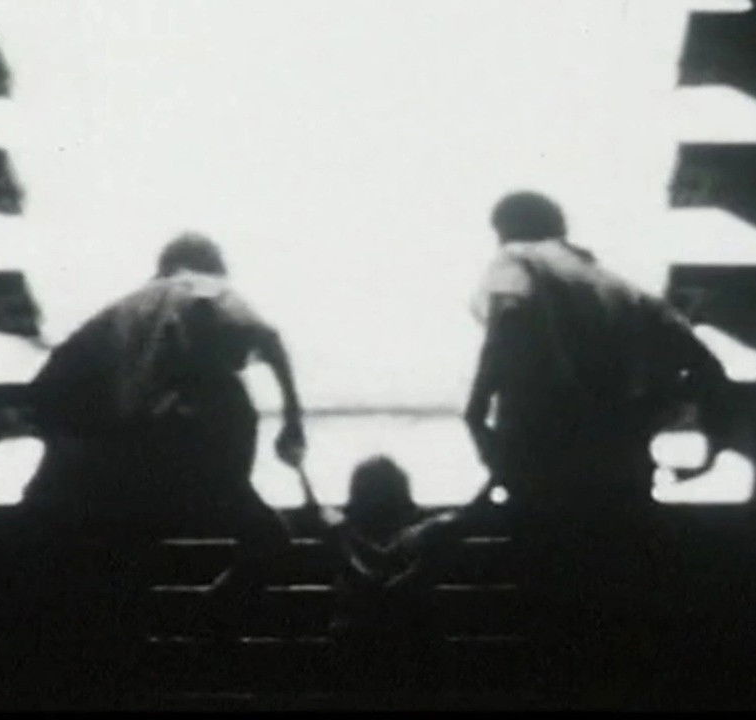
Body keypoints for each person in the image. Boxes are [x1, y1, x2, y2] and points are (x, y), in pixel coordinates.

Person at [462, 191, 732, 659]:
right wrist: (709, 451)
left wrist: (476, 411)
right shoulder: (622, 287)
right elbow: (707, 367)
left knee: (549, 627)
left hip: (545, 474)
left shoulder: (517, 259)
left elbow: (509, 317)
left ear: (505, 230)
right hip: (623, 476)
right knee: (617, 628)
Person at [24, 233, 306, 614]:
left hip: (135, 439)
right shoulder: (204, 285)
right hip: (206, 422)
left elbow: (53, 380)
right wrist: (292, 419)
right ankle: (218, 601)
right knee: (247, 520)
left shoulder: (118, 310)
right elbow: (267, 337)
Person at [296, 455, 496, 691]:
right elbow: (466, 516)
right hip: (417, 643)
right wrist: (497, 476)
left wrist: (300, 470)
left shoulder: (344, 532)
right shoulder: (423, 533)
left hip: (355, 643)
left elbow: (317, 513)